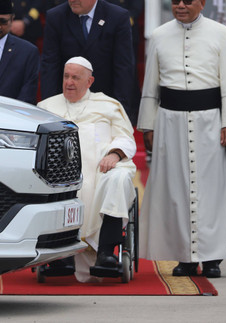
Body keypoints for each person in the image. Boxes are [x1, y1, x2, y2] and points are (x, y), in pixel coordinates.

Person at [137, 0, 226, 278]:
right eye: (176, 0)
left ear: (202, 2)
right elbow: (151, 85)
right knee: (175, 191)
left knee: (211, 191)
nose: (180, 5)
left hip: (209, 120)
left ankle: (211, 257)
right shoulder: (158, 35)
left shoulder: (220, 33)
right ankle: (184, 256)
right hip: (169, 120)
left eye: (187, 0)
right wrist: (148, 124)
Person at [38, 57, 136, 282]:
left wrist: (114, 154)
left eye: (75, 77)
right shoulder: (46, 107)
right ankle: (60, 253)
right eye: (66, 76)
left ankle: (106, 253)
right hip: (63, 173)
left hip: (102, 169)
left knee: (119, 178)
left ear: (89, 81)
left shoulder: (109, 106)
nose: (69, 82)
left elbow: (126, 138)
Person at [40, 0, 134, 118]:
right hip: (65, 106)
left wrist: (119, 111)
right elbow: (50, 65)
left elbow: (123, 68)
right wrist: (49, 109)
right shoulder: (56, 17)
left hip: (104, 105)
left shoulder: (117, 17)